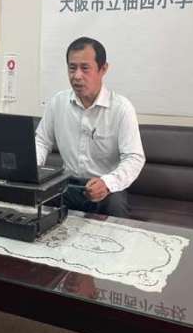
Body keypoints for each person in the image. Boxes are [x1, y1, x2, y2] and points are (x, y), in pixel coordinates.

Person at [35, 37, 145, 218]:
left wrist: (107, 183)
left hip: (104, 187)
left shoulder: (121, 108)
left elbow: (134, 157)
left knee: (116, 209)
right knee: (33, 206)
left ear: (103, 69)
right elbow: (42, 141)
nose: (77, 76)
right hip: (67, 184)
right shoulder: (58, 102)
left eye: (85, 68)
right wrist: (33, 169)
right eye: (72, 68)